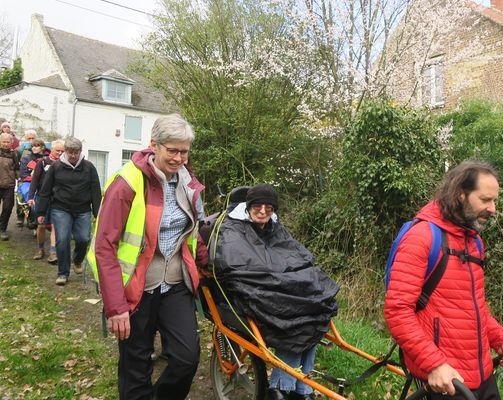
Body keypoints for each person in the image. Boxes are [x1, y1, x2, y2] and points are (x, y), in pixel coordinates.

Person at [88, 113, 209, 400]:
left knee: (186, 358)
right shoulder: (127, 182)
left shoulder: (188, 182)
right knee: (136, 366)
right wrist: (115, 306)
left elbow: (194, 233)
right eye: (173, 151)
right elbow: (104, 247)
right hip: (136, 288)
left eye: (185, 151)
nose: (180, 158)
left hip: (176, 284)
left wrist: (208, 264)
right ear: (154, 145)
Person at [384, 160, 503, 400]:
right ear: (460, 195)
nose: (493, 209)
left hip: (482, 375)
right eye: (485, 200)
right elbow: (397, 311)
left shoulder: (474, 242)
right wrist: (434, 364)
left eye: (494, 200)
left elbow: (474, 306)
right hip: (445, 380)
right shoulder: (423, 237)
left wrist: (500, 340)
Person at [213, 184, 339, 400]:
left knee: (318, 309)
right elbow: (238, 264)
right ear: (248, 206)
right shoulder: (232, 229)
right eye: (258, 206)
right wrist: (278, 278)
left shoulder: (275, 228)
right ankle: (282, 387)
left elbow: (297, 255)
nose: (263, 211)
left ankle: (300, 389)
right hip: (254, 290)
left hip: (278, 286)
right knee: (293, 321)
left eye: (268, 207)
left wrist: (295, 277)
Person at [37, 137, 101, 286]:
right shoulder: (56, 167)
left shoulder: (89, 167)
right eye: (70, 152)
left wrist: (97, 213)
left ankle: (77, 260)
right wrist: (40, 212)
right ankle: (63, 273)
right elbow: (45, 190)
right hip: (61, 209)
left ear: (80, 152)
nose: (73, 155)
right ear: (65, 151)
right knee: (62, 239)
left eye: (76, 152)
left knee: (83, 238)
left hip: (83, 210)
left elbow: (95, 191)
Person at [28, 139, 65, 262]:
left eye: (62, 151)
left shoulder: (64, 164)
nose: (60, 153)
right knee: (41, 225)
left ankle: (53, 252)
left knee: (55, 225)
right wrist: (30, 197)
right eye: (57, 150)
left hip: (57, 199)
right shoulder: (42, 162)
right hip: (42, 198)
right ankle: (40, 249)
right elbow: (34, 181)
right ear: (52, 149)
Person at [17, 137, 46, 231]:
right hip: (27, 183)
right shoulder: (26, 159)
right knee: (30, 196)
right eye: (33, 146)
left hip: (42, 184)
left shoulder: (46, 159)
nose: (34, 148)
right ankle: (32, 219)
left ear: (42, 147)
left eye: (37, 146)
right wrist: (34, 179)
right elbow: (23, 174)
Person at [0, 133, 19, 240]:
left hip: (9, 185)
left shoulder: (13, 154)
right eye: (4, 141)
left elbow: (17, 168)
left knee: (7, 208)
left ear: (11, 143)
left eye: (8, 142)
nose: (6, 144)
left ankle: (3, 229)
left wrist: (20, 178)